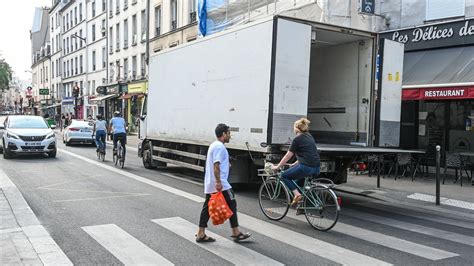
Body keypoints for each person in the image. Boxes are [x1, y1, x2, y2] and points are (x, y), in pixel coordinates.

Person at [195, 123, 251, 243]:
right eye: (229, 133)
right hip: (220, 184)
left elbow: (217, 163)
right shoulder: (220, 147)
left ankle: (201, 233)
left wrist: (227, 164)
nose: (230, 135)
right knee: (232, 203)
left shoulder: (214, 145)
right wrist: (219, 182)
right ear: (223, 134)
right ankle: (236, 232)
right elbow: (216, 165)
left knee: (207, 207)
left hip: (211, 183)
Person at [271, 118, 320, 208]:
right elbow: (308, 153)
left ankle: (297, 195)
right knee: (298, 183)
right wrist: (295, 163)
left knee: (284, 176)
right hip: (316, 168)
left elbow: (287, 156)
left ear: (296, 129)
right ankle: (301, 206)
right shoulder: (309, 136)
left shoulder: (297, 140)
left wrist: (277, 166)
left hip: (306, 167)